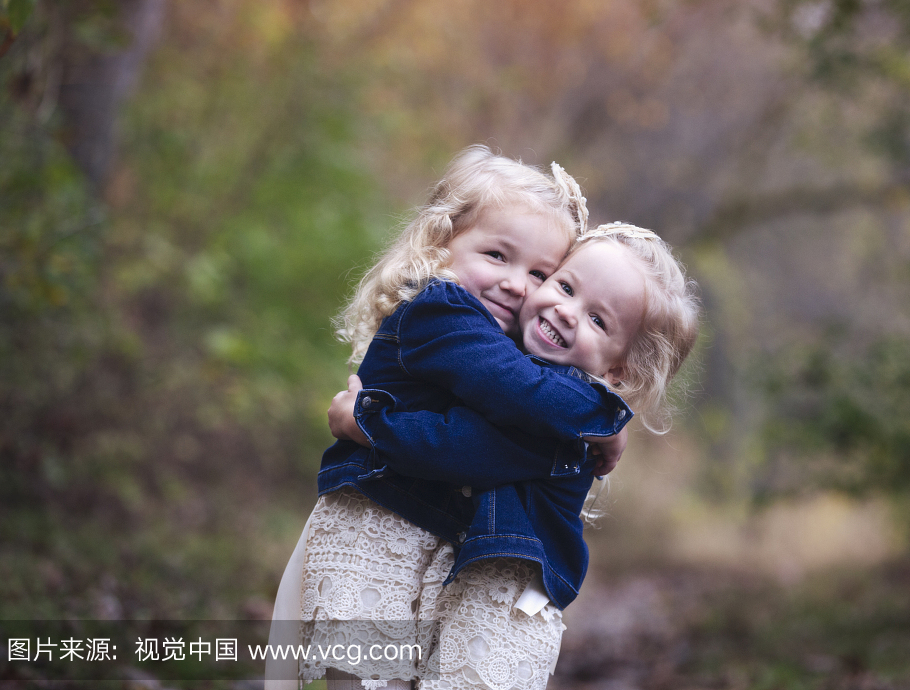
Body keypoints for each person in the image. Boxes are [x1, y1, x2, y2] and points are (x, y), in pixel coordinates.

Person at [268, 147, 700, 690]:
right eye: (498, 256)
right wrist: (602, 421)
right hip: (380, 522)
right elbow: (493, 420)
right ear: (441, 246)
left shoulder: (541, 366)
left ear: (620, 366)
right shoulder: (443, 309)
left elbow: (515, 409)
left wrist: (601, 419)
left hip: (489, 575)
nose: (521, 285)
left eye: (542, 272)